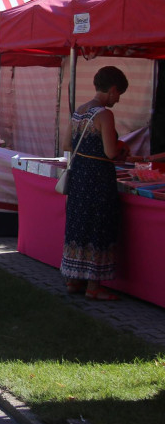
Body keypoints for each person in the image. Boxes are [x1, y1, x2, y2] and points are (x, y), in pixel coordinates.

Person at [62, 66, 129, 301]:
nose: (118, 99)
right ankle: (93, 286)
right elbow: (111, 152)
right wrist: (121, 148)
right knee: (98, 227)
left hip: (80, 175)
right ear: (111, 90)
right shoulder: (104, 115)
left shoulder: (80, 111)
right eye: (119, 93)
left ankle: (73, 279)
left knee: (79, 225)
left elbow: (66, 143)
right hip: (99, 179)